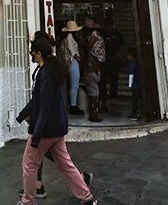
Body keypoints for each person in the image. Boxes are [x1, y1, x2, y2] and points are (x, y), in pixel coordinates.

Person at [16, 39, 98, 205]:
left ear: (39, 53)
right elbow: (38, 100)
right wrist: (21, 115)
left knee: (29, 164)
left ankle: (28, 201)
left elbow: (44, 106)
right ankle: (86, 198)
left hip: (46, 130)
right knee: (66, 165)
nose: (31, 55)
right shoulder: (51, 71)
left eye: (33, 52)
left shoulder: (45, 74)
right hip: (58, 128)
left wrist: (36, 135)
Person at [81, 17, 105, 123]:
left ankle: (94, 113)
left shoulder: (94, 34)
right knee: (94, 90)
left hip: (94, 64)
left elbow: (89, 47)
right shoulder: (95, 34)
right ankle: (94, 112)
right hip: (95, 64)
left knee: (94, 90)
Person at [58, 21, 83, 115]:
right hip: (72, 62)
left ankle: (70, 104)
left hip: (66, 63)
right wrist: (80, 59)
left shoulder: (65, 38)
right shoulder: (70, 37)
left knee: (69, 85)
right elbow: (73, 52)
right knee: (74, 85)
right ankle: (73, 105)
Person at [100, 16, 124, 107]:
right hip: (104, 58)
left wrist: (119, 54)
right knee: (102, 78)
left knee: (114, 78)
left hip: (114, 58)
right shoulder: (101, 33)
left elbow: (122, 45)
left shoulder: (117, 33)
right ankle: (103, 97)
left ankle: (113, 97)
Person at [126, 48, 142, 121]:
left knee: (134, 101)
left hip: (135, 85)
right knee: (138, 100)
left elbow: (131, 75)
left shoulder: (132, 64)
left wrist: (130, 85)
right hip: (139, 84)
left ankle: (134, 114)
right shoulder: (137, 63)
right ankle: (139, 114)